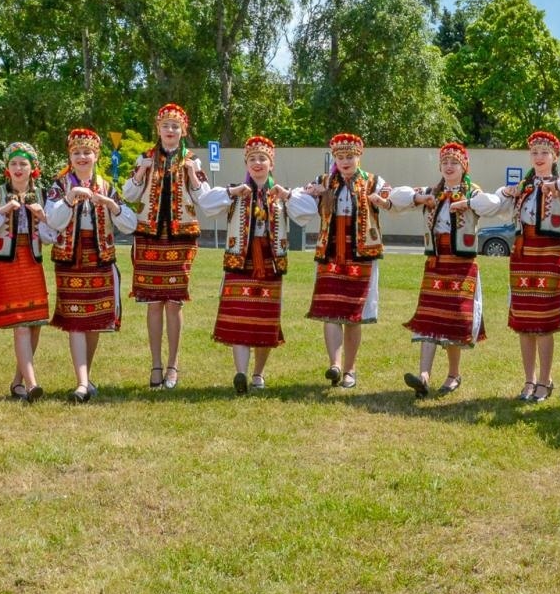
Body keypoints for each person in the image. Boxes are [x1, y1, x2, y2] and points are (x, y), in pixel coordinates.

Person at [474, 130, 560, 401]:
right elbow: (492, 207)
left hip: (549, 256)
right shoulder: (523, 188)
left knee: (543, 323)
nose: (539, 157)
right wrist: (503, 191)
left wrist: (558, 185)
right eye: (535, 152)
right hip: (522, 256)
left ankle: (544, 379)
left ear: (554, 156)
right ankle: (528, 380)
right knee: (524, 323)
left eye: (544, 153)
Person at [287, 132, 394, 390]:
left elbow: (393, 199)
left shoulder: (373, 181)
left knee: (353, 315)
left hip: (360, 254)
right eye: (340, 156)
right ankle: (334, 365)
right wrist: (294, 194)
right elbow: (302, 200)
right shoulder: (324, 181)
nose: (345, 161)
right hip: (331, 253)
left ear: (359, 156)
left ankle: (350, 370)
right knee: (331, 311)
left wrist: (384, 200)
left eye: (350, 156)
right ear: (334, 158)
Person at [41, 128, 139, 401]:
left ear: (96, 156)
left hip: (100, 258)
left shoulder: (106, 186)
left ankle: (86, 377)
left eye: (87, 152)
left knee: (94, 321)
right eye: (76, 153)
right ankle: (81, 383)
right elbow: (53, 221)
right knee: (75, 321)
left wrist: (112, 205)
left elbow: (129, 225)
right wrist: (70, 198)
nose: (82, 157)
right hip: (71, 260)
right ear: (69, 157)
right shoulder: (59, 186)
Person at [395, 142, 495, 397]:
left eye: (454, 163)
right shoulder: (432, 192)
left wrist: (469, 203)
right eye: (445, 163)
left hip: (461, 263)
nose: (449, 167)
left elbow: (492, 204)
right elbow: (395, 197)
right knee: (429, 317)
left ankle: (453, 374)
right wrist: (419, 198)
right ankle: (424, 376)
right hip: (436, 262)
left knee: (454, 319)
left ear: (463, 167)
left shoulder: (473, 192)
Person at [197, 136, 293, 394]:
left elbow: (305, 211)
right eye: (252, 159)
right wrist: (233, 192)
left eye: (262, 159)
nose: (257, 163)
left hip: (270, 263)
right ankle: (240, 373)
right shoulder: (235, 192)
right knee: (239, 316)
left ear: (271, 164)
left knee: (264, 319)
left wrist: (287, 194)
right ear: (246, 164)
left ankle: (258, 374)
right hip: (240, 261)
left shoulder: (281, 195)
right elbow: (205, 204)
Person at [123, 103, 208, 390]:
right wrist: (139, 174)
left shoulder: (193, 160)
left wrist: (192, 175)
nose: (170, 130)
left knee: (174, 302)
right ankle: (155, 364)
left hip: (180, 239)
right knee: (153, 303)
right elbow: (129, 194)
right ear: (158, 129)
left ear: (183, 130)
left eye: (176, 126)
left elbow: (204, 199)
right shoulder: (145, 158)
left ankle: (173, 365)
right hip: (148, 236)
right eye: (165, 125)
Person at [0, 143, 52, 402]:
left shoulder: (43, 195)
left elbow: (54, 233)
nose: (18, 169)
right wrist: (4, 210)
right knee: (20, 325)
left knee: (35, 324)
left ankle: (17, 382)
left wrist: (44, 215)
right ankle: (32, 383)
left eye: (23, 164)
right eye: (14, 164)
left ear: (32, 169)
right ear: (7, 168)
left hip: (32, 261)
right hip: (7, 263)